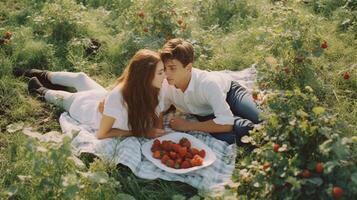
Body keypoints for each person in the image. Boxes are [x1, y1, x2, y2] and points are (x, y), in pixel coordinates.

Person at [13, 49, 166, 139]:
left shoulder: (156, 88)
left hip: (104, 102)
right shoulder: (118, 97)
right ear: (145, 77)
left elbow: (158, 111)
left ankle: (40, 89)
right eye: (160, 72)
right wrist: (140, 132)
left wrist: (159, 129)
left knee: (76, 85)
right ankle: (41, 79)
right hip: (86, 110)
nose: (164, 76)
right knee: (78, 81)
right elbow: (101, 134)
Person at [160, 38, 262, 144]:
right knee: (230, 136)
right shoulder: (166, 85)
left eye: (172, 68)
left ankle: (267, 131)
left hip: (231, 94)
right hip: (208, 112)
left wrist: (188, 125)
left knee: (261, 117)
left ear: (188, 67)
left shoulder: (208, 83)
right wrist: (158, 130)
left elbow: (226, 124)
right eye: (165, 68)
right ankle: (252, 131)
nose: (166, 74)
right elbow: (159, 109)